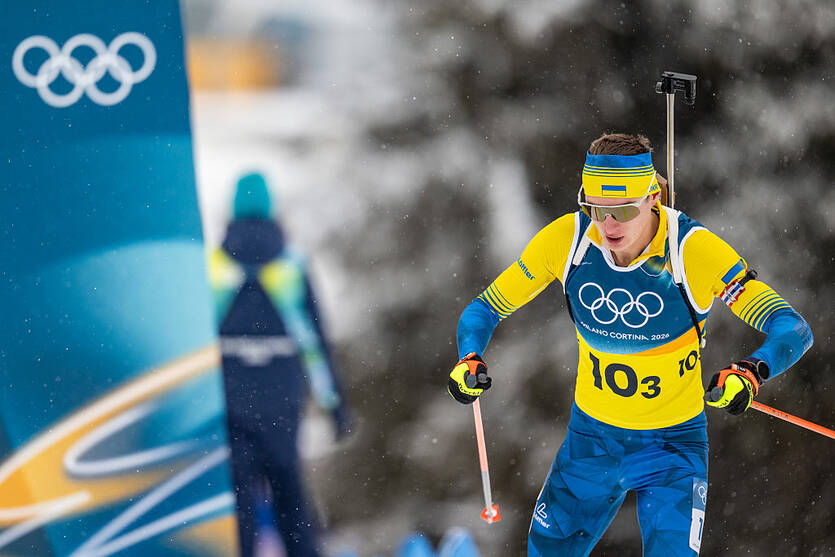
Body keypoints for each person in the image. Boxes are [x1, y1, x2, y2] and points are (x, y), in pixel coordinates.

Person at [447, 134, 813, 556]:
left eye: (622, 209)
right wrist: (469, 357)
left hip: (672, 448)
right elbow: (484, 308)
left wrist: (751, 371)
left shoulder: (692, 251)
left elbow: (792, 328)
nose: (608, 225)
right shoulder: (567, 242)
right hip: (592, 442)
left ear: (654, 196)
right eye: (596, 209)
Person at [209, 172, 351, 557]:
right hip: (280, 399)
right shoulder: (291, 264)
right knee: (290, 494)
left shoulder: (214, 266)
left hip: (230, 398)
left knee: (238, 503)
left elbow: (195, 341)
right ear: (273, 209)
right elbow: (316, 342)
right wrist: (335, 405)